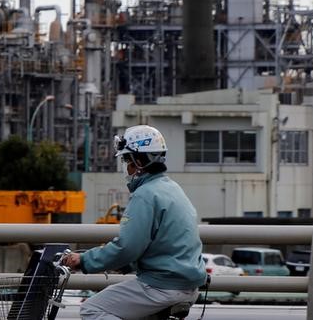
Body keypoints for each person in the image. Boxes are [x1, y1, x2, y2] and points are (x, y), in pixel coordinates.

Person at [62, 125, 206, 319]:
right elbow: (159, 244)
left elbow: (127, 247)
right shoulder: (172, 188)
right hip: (186, 284)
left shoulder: (145, 195)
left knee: (92, 309)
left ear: (138, 162)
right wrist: (127, 265)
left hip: (160, 286)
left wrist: (84, 261)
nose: (125, 167)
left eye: (126, 160)